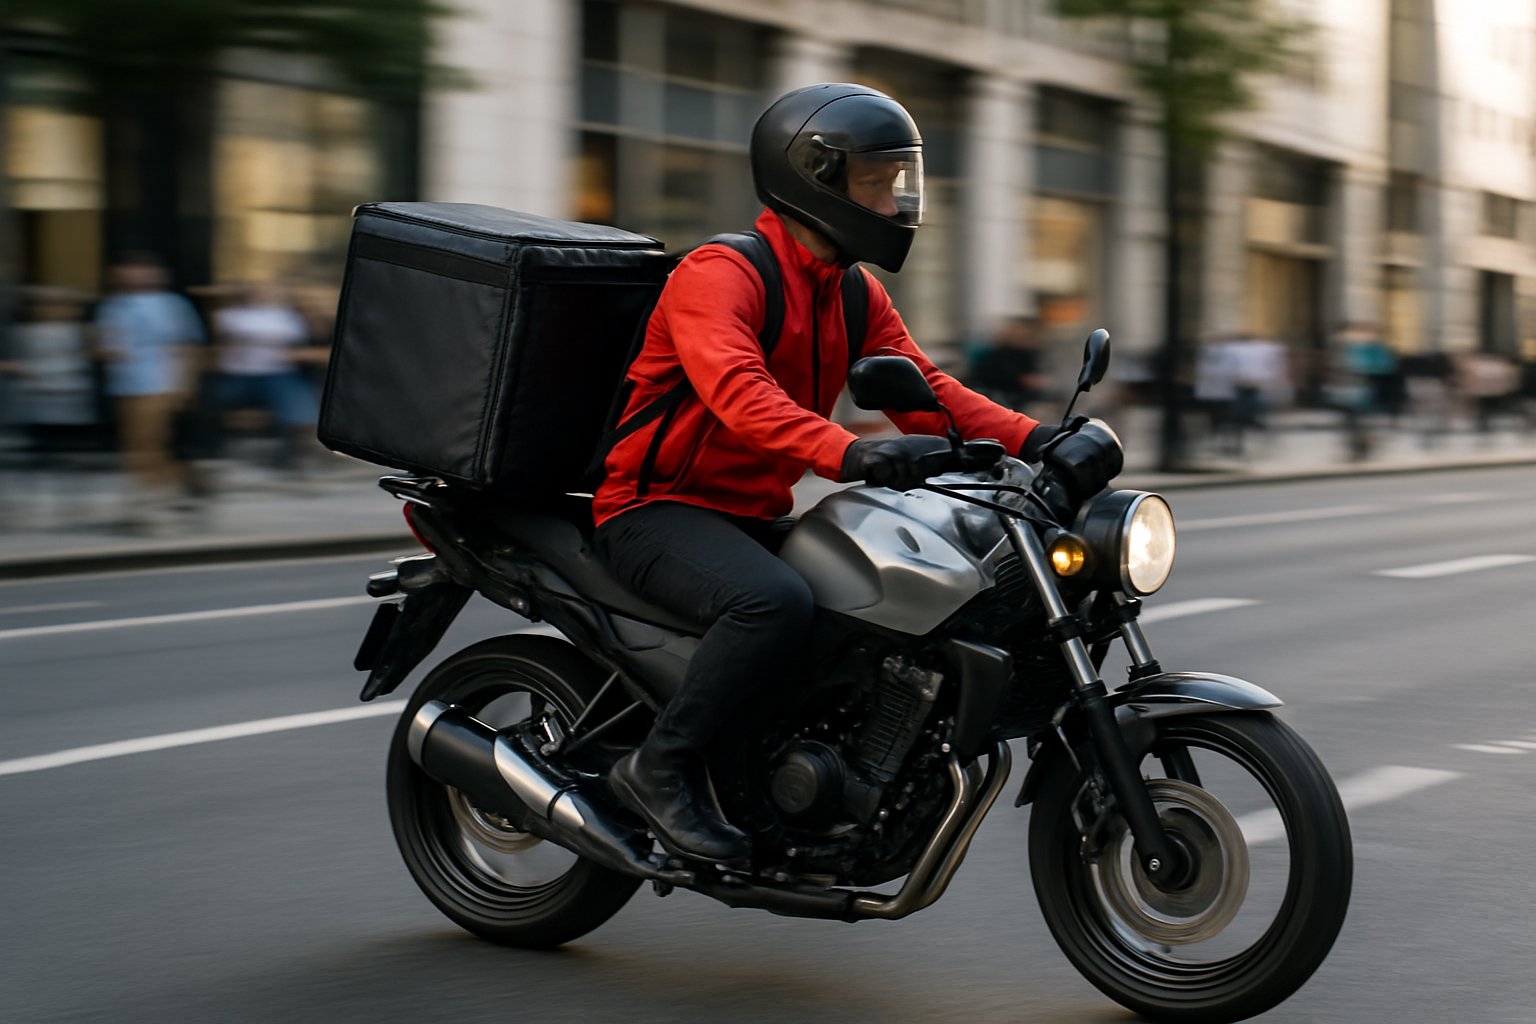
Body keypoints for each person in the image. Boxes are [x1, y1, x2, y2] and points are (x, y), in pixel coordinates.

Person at [591, 83, 1057, 865]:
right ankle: (659, 766)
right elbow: (740, 392)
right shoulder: (720, 273)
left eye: (897, 177)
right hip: (653, 507)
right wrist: (848, 450)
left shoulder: (851, 291)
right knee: (770, 603)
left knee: (860, 612)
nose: (894, 196)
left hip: (748, 510)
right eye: (875, 179)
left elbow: (925, 389)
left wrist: (1042, 439)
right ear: (813, 176)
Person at [94, 254, 206, 529]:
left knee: (147, 445)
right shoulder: (112, 306)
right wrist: (107, 351)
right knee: (139, 445)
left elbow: (187, 347)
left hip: (159, 382)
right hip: (124, 384)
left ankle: (151, 505)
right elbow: (102, 344)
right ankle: (183, 488)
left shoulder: (172, 304)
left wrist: (185, 386)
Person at [211, 281, 320, 473]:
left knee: (298, 405)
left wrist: (254, 339)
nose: (262, 294)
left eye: (267, 291)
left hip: (277, 374)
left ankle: (288, 457)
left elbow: (293, 338)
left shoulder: (288, 316)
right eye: (257, 291)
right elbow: (228, 336)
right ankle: (210, 450)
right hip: (237, 374)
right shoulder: (229, 315)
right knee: (210, 400)